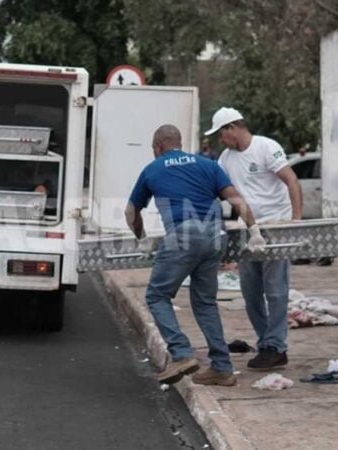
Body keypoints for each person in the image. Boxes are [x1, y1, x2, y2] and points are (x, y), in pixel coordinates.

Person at [125, 124, 266, 386]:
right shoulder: (207, 164)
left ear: (158, 146)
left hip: (183, 235)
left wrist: (141, 239)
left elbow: (130, 212)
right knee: (204, 303)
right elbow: (234, 198)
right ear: (179, 143)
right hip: (215, 236)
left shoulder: (152, 169)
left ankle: (181, 354)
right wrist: (254, 230)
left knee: (157, 296)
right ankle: (222, 368)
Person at [206, 107, 304, 370]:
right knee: (251, 293)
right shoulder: (226, 158)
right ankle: (265, 342)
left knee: (275, 290)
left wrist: (295, 222)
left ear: (232, 128)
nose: (220, 140)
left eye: (220, 134)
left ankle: (276, 346)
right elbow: (217, 191)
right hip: (248, 230)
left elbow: (292, 181)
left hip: (275, 226)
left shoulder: (265, 147)